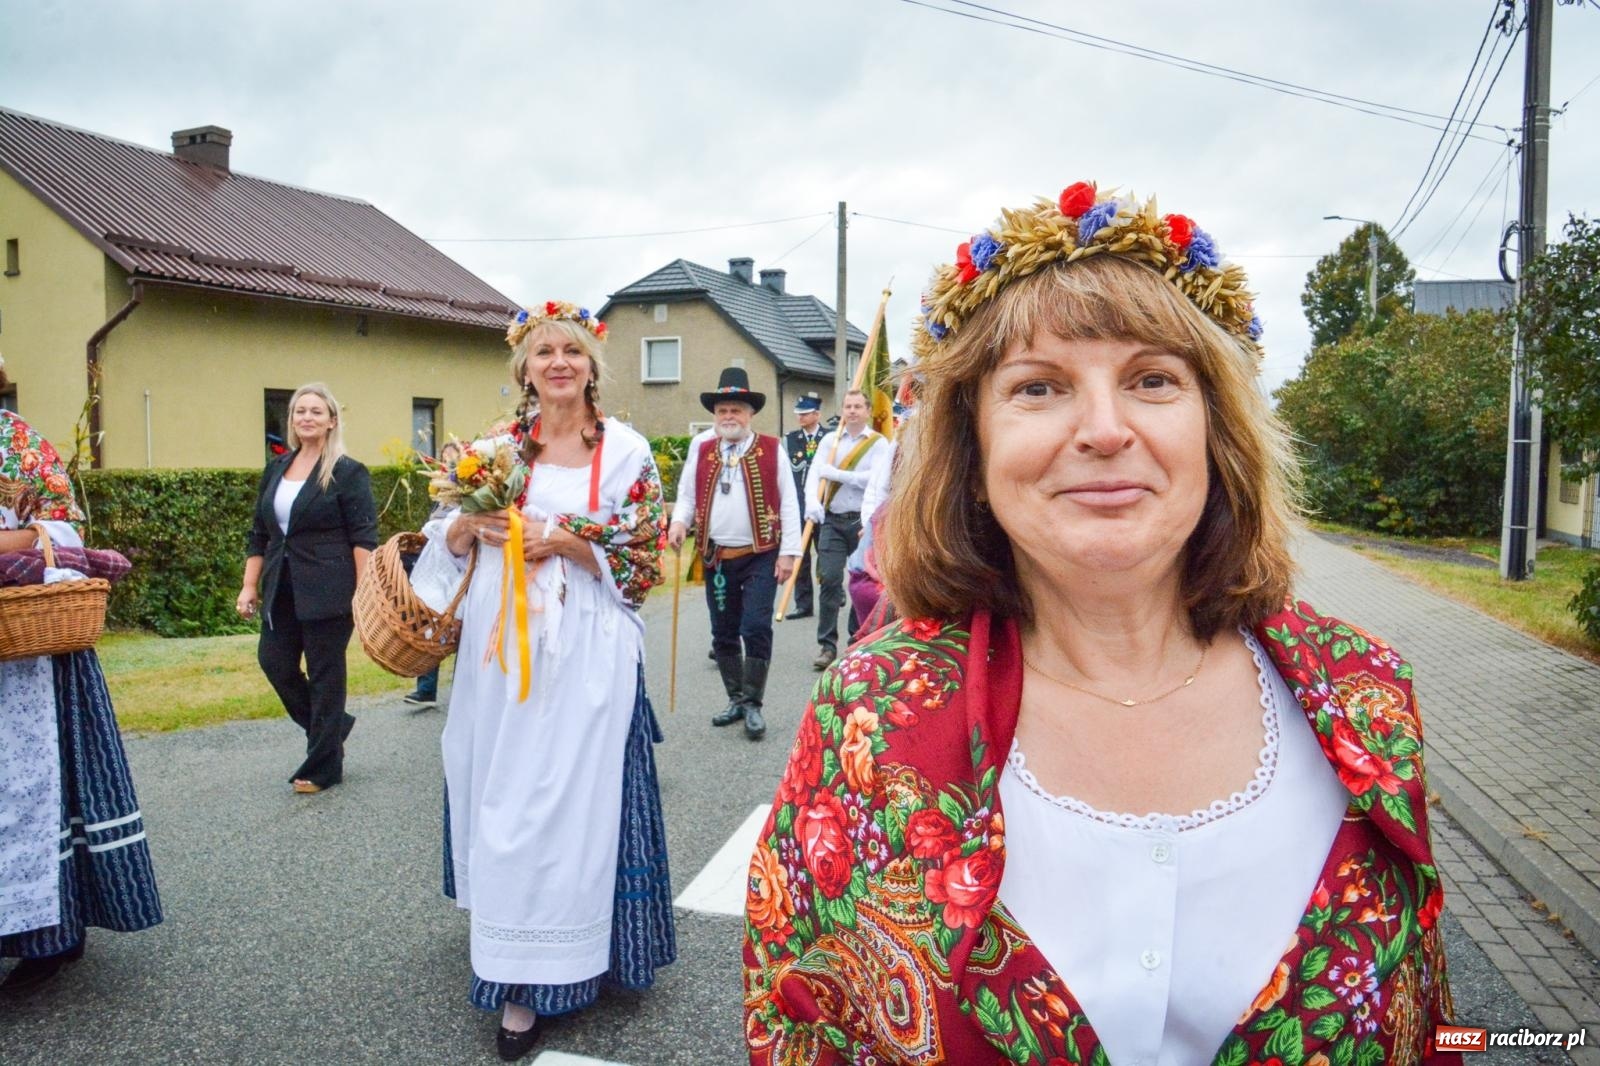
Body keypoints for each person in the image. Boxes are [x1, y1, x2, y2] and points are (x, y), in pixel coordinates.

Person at [743, 183, 1459, 1064]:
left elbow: (1428, 1022)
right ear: (973, 452)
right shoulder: (868, 712)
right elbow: (797, 1021)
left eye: (1152, 380)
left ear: (1217, 432)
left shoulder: (1364, 692)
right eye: (1039, 387)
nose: (1105, 430)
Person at [436, 301, 674, 1061]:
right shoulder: (495, 450)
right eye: (544, 353)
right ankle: (514, 968)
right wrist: (468, 527)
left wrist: (564, 540)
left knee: (575, 802)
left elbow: (643, 560)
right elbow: (447, 539)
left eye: (571, 351)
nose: (559, 363)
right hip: (502, 650)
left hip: (589, 650)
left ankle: (586, 953)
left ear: (592, 364)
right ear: (525, 368)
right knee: (507, 794)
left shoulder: (628, 451)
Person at [0, 355, 162, 993]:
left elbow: (63, 531)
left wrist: (14, 544)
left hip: (27, 650)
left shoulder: (18, 445)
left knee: (35, 789)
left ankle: (51, 935)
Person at [237, 383, 378, 794]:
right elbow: (259, 533)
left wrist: (363, 591)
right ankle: (333, 729)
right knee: (274, 662)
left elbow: (363, 537)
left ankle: (323, 767)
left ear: (331, 420)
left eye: (316, 411)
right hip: (281, 585)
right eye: (300, 411)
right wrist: (249, 585)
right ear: (292, 419)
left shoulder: (347, 471)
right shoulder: (276, 468)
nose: (307, 418)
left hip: (331, 587)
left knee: (324, 676)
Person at [668, 367, 801, 742]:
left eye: (736, 410)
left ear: (750, 414)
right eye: (723, 410)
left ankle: (754, 703)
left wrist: (789, 553)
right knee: (723, 631)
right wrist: (678, 523)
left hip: (761, 554)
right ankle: (736, 699)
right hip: (717, 557)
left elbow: (789, 502)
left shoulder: (772, 448)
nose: (729, 417)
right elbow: (687, 495)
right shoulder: (702, 448)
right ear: (715, 414)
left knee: (755, 626)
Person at [802, 389, 886, 670]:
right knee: (829, 578)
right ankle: (827, 645)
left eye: (858, 406)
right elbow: (815, 473)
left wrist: (837, 474)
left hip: (862, 523)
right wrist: (812, 502)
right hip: (833, 520)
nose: (852, 411)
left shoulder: (878, 443)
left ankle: (855, 641)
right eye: (848, 406)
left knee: (859, 582)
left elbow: (873, 480)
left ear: (867, 411)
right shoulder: (830, 441)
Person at [403, 438, 463, 709]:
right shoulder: (441, 498)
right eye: (444, 458)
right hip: (435, 565)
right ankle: (426, 689)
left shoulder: (468, 493)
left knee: (460, 623)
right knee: (430, 618)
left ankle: (464, 689)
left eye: (453, 459)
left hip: (457, 567)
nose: (448, 463)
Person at [782, 391, 826, 619]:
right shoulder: (790, 440)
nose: (801, 417)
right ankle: (803, 604)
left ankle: (832, 593)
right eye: (799, 414)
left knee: (826, 554)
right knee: (800, 556)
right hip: (799, 506)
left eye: (806, 413)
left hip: (824, 506)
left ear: (817, 414)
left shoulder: (830, 438)